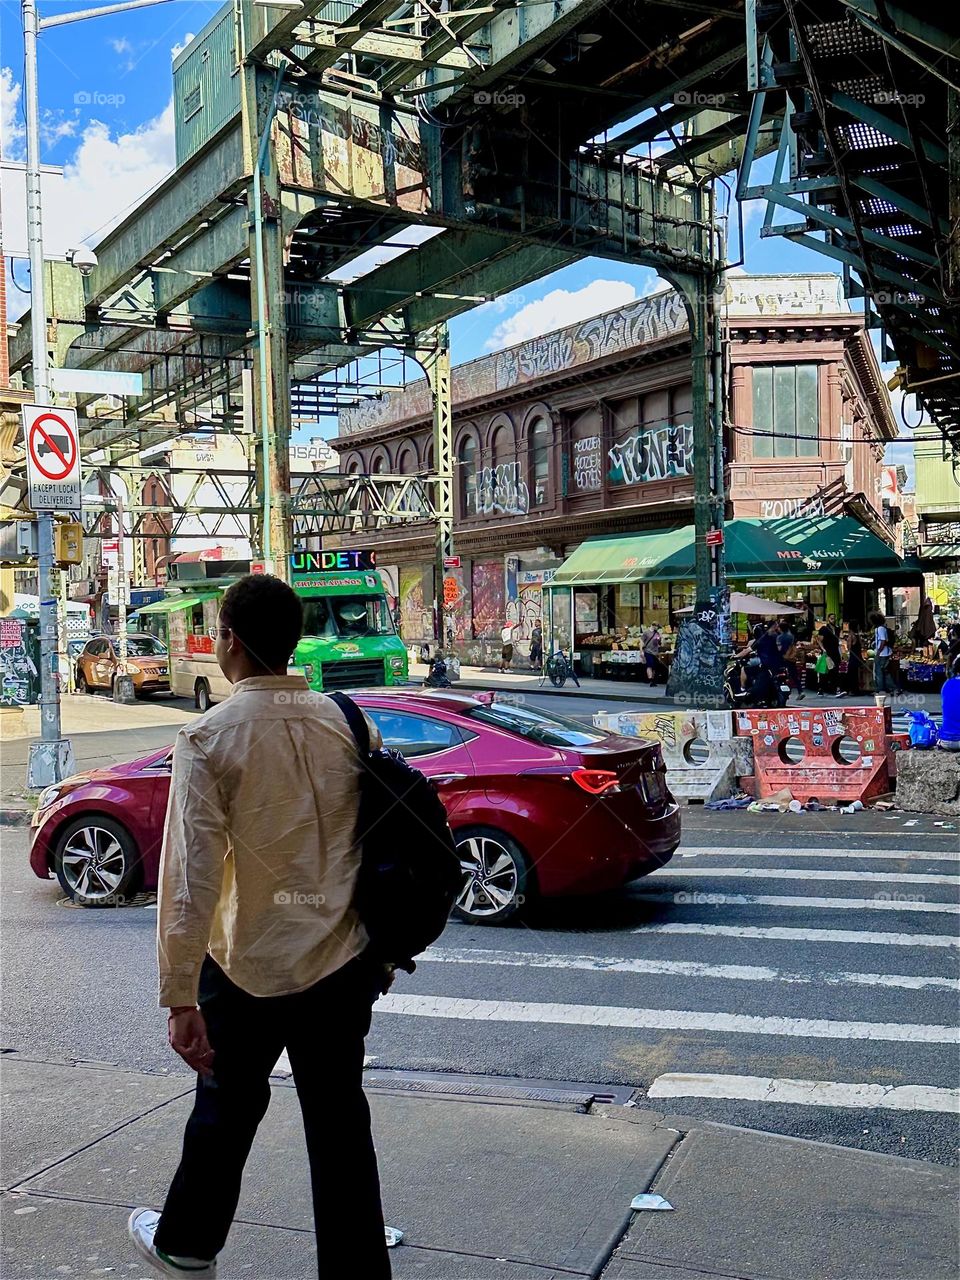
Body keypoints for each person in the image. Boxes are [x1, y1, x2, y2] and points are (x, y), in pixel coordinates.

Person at [129, 575, 392, 1280]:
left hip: (246, 960)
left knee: (225, 1108)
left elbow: (192, 879)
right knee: (340, 1125)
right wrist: (383, 951)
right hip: (342, 957)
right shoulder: (348, 721)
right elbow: (372, 846)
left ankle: (186, 1246)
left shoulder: (209, 736)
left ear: (231, 643)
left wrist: (180, 995)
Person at [869, 608, 897, 695]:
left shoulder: (880, 629)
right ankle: (893, 688)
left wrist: (878, 652)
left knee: (879, 672)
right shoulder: (882, 628)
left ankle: (880, 689)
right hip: (885, 653)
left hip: (882, 653)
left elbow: (883, 641)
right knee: (885, 671)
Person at [816, 617, 843, 696]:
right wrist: (823, 649)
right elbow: (819, 639)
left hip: (835, 652)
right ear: (828, 619)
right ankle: (821, 689)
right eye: (832, 618)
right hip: (827, 652)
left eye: (834, 618)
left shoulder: (837, 629)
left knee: (835, 670)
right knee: (824, 670)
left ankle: (835, 688)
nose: (833, 620)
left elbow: (838, 641)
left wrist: (840, 652)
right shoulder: (824, 628)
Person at [777, 619, 803, 699]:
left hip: (782, 658)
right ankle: (800, 691)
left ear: (780, 628)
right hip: (791, 658)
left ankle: (781, 690)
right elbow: (793, 646)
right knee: (794, 675)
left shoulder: (779, 637)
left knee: (778, 674)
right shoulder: (791, 636)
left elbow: (779, 649)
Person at [844, 624, 866, 696]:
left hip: (853, 657)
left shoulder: (851, 636)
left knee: (851, 674)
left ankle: (851, 690)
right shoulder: (858, 636)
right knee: (855, 674)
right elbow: (862, 645)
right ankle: (856, 690)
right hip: (858, 657)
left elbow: (848, 647)